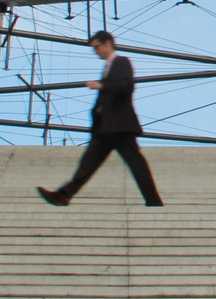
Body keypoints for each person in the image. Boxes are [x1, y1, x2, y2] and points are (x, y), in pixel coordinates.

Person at [38, 30, 163, 207]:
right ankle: (63, 195)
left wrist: (101, 86)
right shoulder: (108, 68)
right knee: (88, 162)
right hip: (104, 127)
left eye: (96, 47)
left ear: (107, 43)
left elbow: (126, 86)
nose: (95, 51)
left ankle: (153, 200)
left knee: (135, 163)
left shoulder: (121, 62)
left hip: (119, 125)